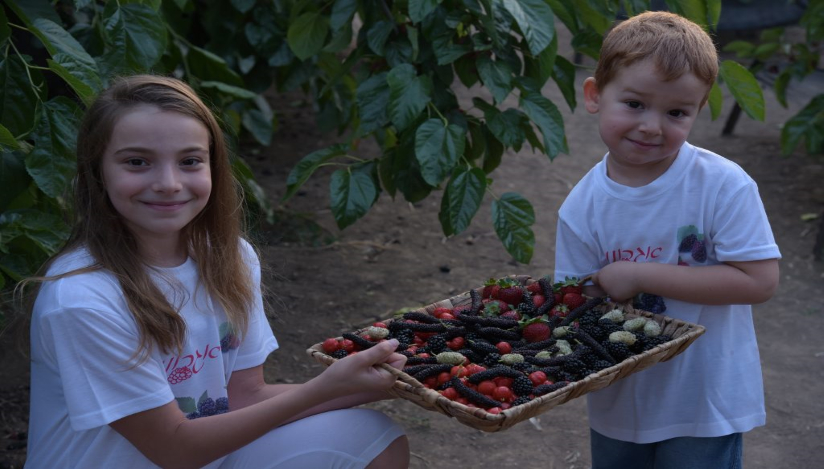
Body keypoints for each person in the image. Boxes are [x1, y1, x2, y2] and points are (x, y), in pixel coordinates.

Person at [23, 75, 410, 469]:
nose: (169, 184)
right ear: (96, 172)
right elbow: (174, 451)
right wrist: (320, 390)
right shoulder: (82, 300)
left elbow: (245, 398)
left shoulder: (231, 259)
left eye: (190, 161)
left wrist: (399, 383)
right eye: (137, 162)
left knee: (373, 438)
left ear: (214, 166)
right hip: (175, 455)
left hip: (207, 456)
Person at [553, 11, 781, 469]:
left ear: (698, 110)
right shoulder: (582, 206)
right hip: (621, 401)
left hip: (705, 399)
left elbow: (759, 281)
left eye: (676, 112)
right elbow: (573, 303)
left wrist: (638, 274)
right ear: (595, 95)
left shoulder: (723, 185)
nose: (652, 126)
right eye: (635, 103)